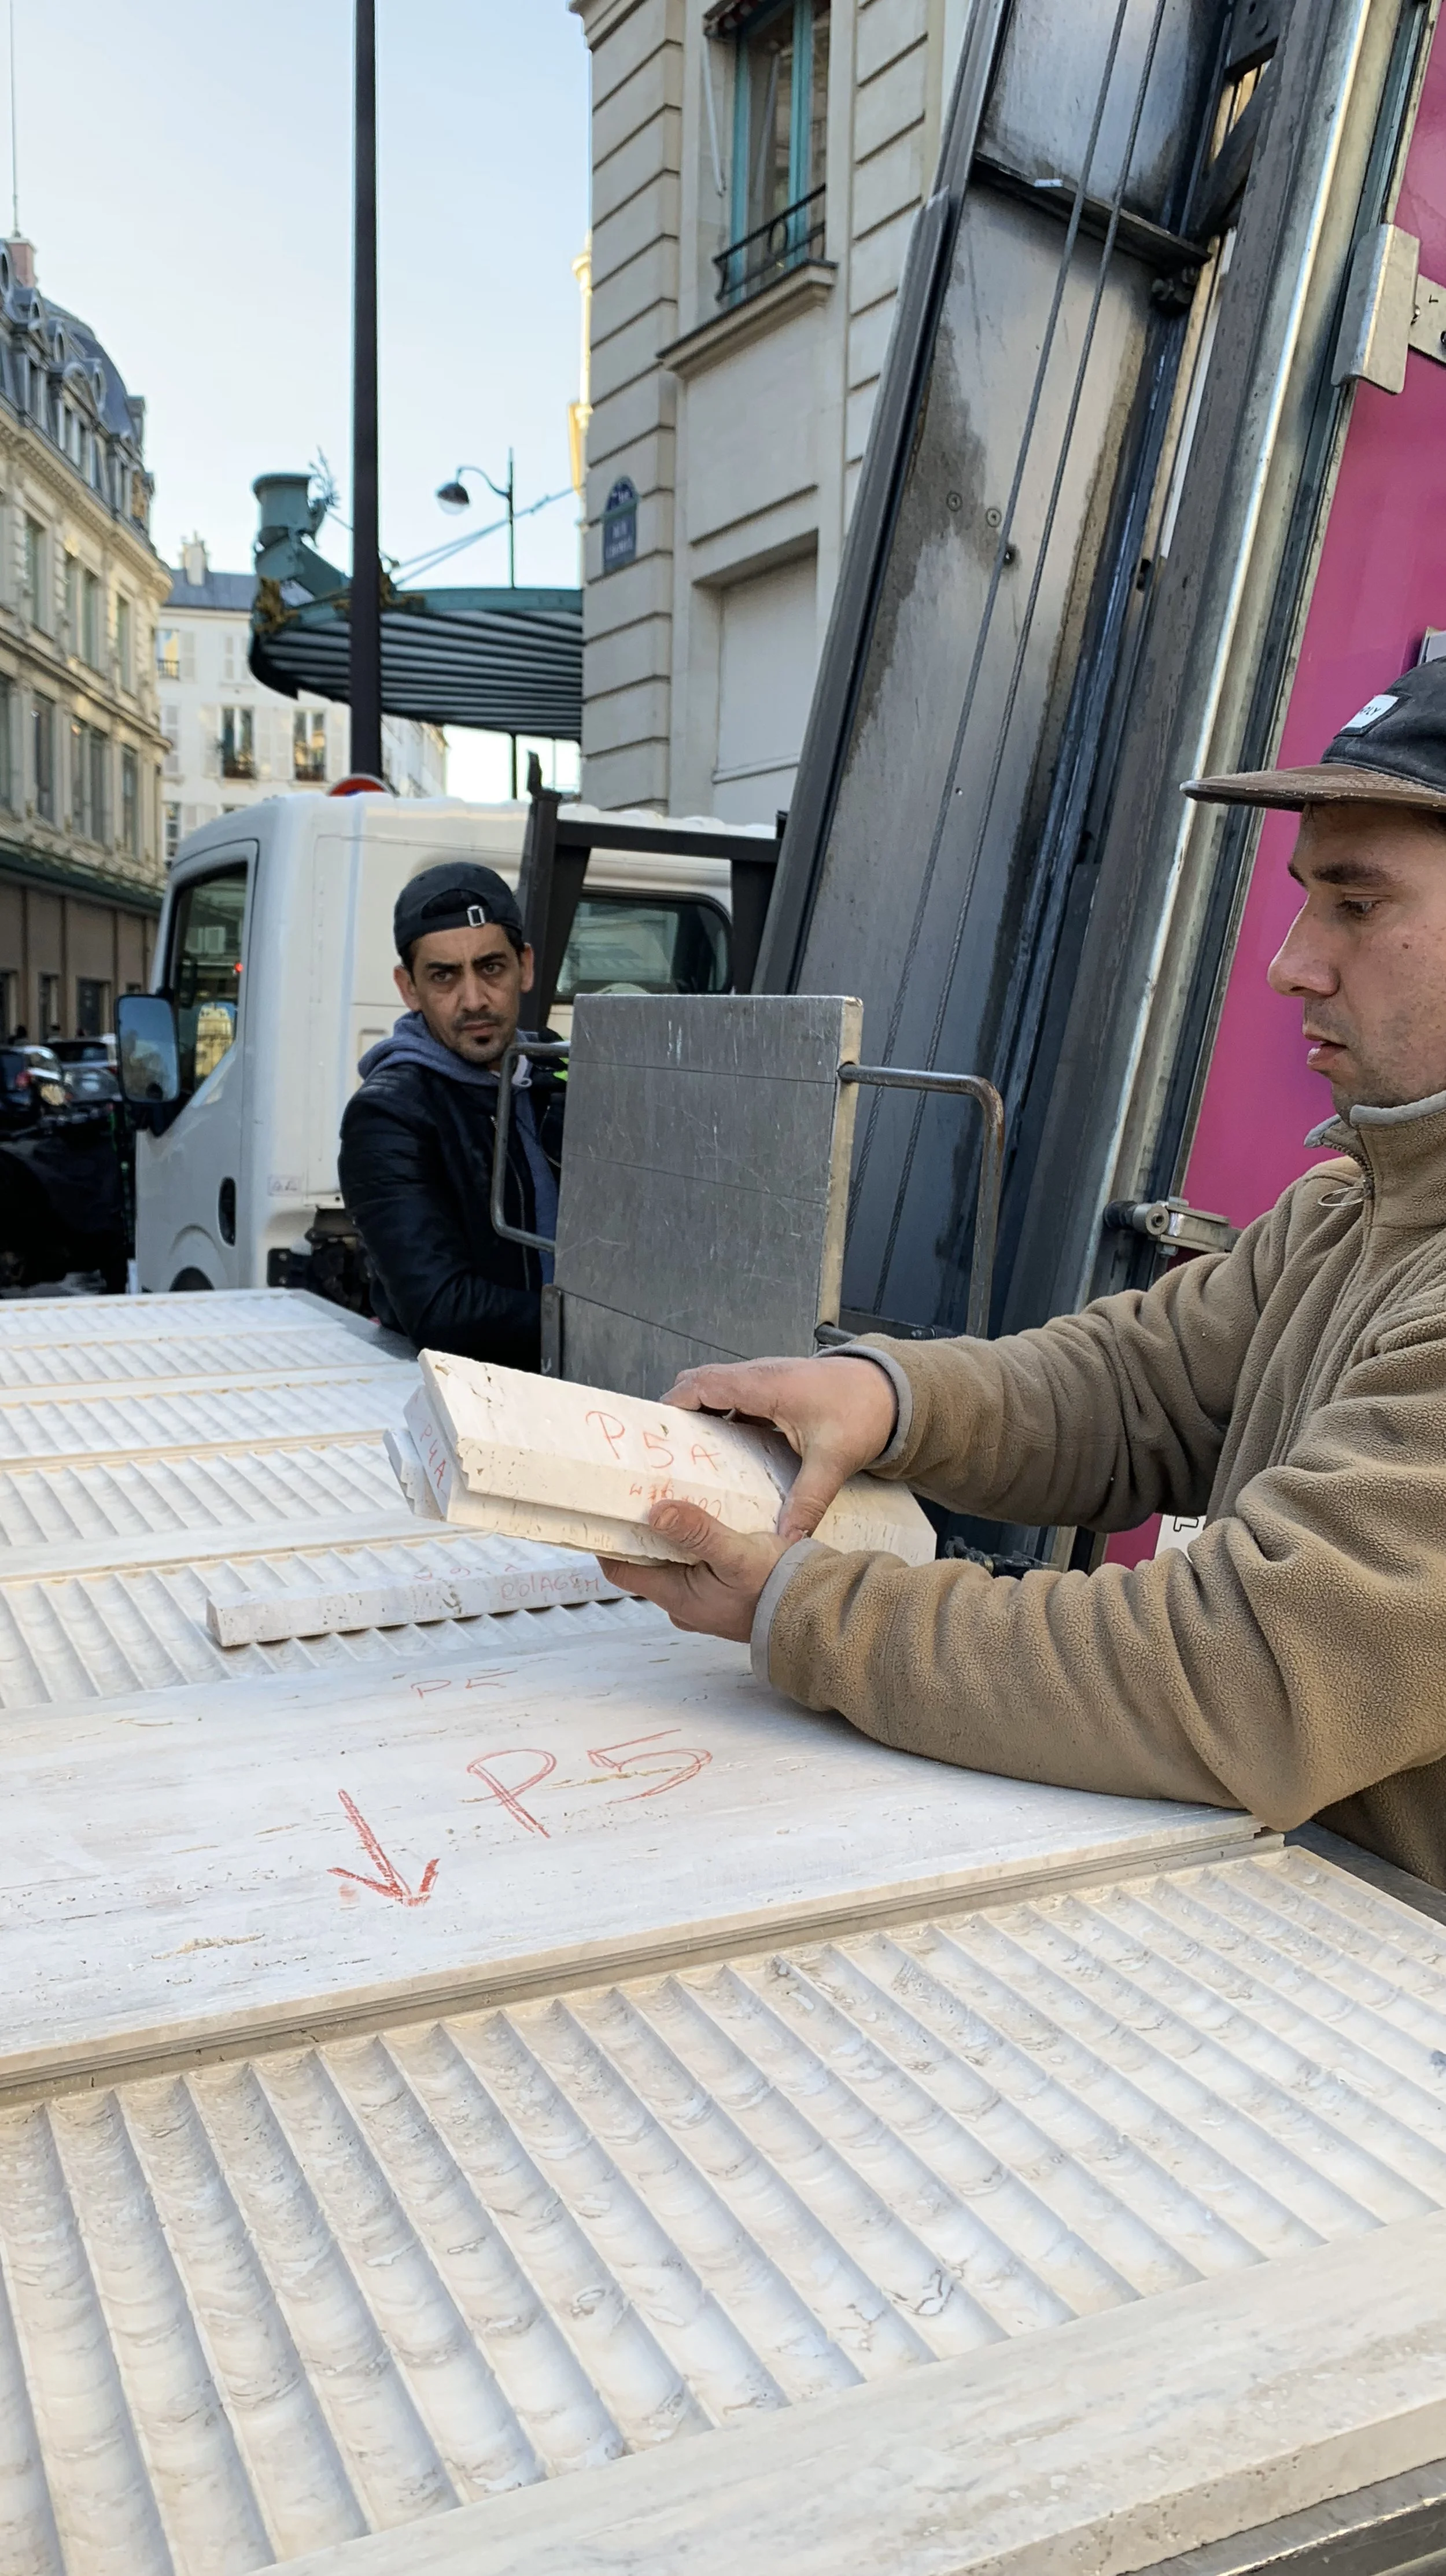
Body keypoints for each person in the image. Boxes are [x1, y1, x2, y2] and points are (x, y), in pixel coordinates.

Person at [603, 658, 1446, 1889]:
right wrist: (886, 1399)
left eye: (1354, 908)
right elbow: (1136, 1390)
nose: (1289, 965)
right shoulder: (1353, 1206)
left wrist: (806, 1610)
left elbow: (1246, 1674)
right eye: (1303, 899)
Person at [338, 861, 563, 1367]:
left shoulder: (555, 1070)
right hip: (478, 1405)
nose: (474, 999)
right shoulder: (387, 1115)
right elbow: (442, 1310)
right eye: (444, 976)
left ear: (524, 966)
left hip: (589, 1386)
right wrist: (603, 1326)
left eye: (491, 968)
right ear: (409, 988)